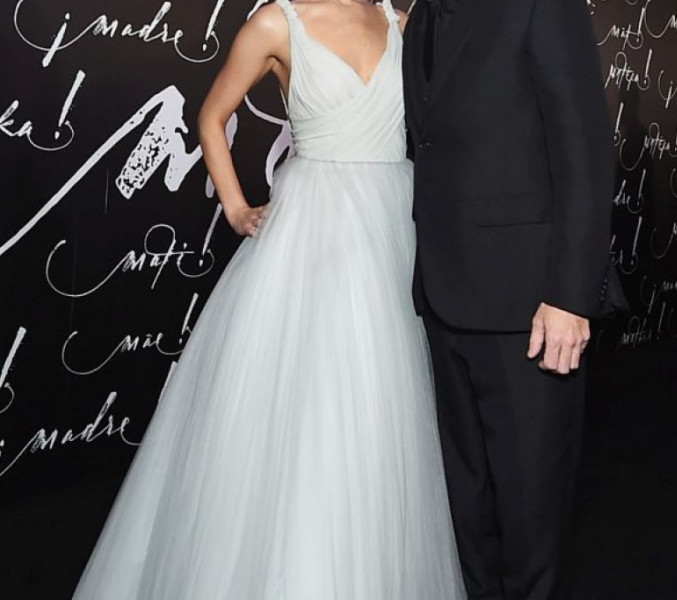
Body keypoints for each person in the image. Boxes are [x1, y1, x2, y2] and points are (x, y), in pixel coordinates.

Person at [72, 1, 465, 598]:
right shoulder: (276, 23)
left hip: (396, 226)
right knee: (314, 406)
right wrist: (235, 208)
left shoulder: (400, 21)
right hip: (314, 233)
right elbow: (212, 117)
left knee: (388, 400)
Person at [403, 0, 616, 598]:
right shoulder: (420, 19)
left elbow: (584, 149)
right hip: (441, 294)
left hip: (529, 306)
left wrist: (570, 296)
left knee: (530, 508)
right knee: (466, 507)